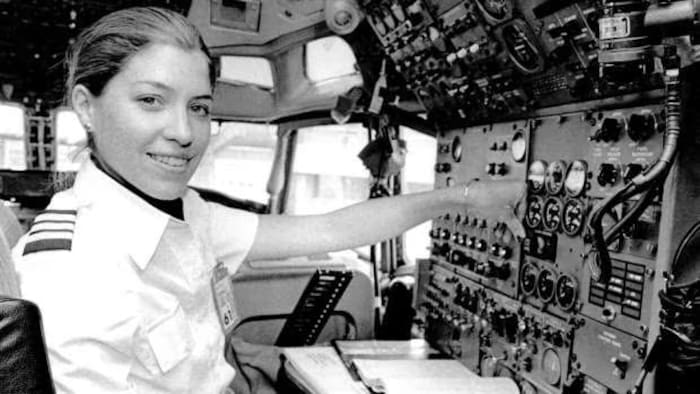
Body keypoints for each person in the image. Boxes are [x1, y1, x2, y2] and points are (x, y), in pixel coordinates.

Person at [12, 6, 524, 394]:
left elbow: (330, 231)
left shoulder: (186, 213)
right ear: (86, 106)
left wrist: (462, 198)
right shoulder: (73, 270)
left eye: (199, 107)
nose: (185, 132)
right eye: (151, 100)